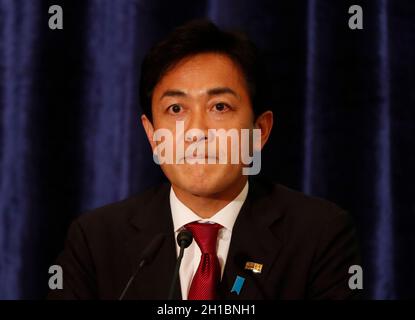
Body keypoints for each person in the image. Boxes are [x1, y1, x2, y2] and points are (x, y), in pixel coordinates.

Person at [48, 19, 361, 300]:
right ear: (152, 134)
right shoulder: (96, 241)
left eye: (220, 107)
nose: (197, 131)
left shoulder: (319, 235)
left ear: (259, 131)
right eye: (176, 109)